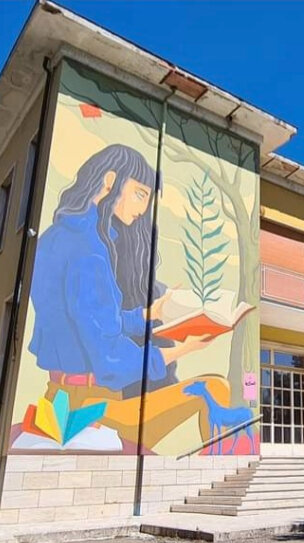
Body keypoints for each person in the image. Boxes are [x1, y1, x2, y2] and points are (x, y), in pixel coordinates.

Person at [27, 144, 222, 450]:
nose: (144, 209)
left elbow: (96, 320)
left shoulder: (54, 238)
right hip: (93, 406)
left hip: (57, 395)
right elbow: (111, 359)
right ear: (110, 181)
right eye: (140, 194)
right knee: (215, 389)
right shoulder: (89, 250)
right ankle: (218, 472)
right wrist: (185, 349)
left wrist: (150, 313)